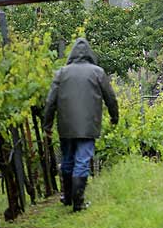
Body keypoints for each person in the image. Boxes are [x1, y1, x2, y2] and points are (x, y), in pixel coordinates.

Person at [44, 38, 118, 212]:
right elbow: (111, 98)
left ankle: (67, 197)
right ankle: (78, 202)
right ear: (90, 54)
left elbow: (50, 101)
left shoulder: (61, 73)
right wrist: (115, 118)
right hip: (88, 126)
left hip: (66, 126)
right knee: (82, 161)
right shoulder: (98, 72)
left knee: (67, 160)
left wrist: (47, 125)